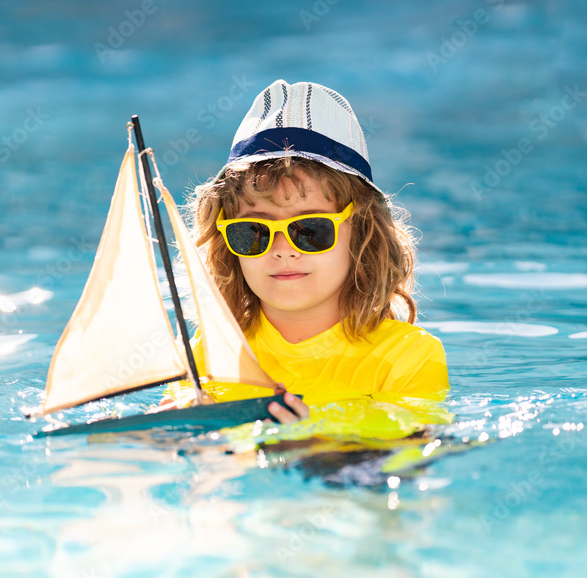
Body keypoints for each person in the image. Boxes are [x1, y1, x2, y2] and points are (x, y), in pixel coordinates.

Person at [163, 80, 449, 423]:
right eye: (253, 231)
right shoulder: (206, 355)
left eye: (310, 230)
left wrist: (307, 446)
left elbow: (403, 464)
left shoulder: (408, 358)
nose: (283, 251)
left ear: (362, 232)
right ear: (227, 244)